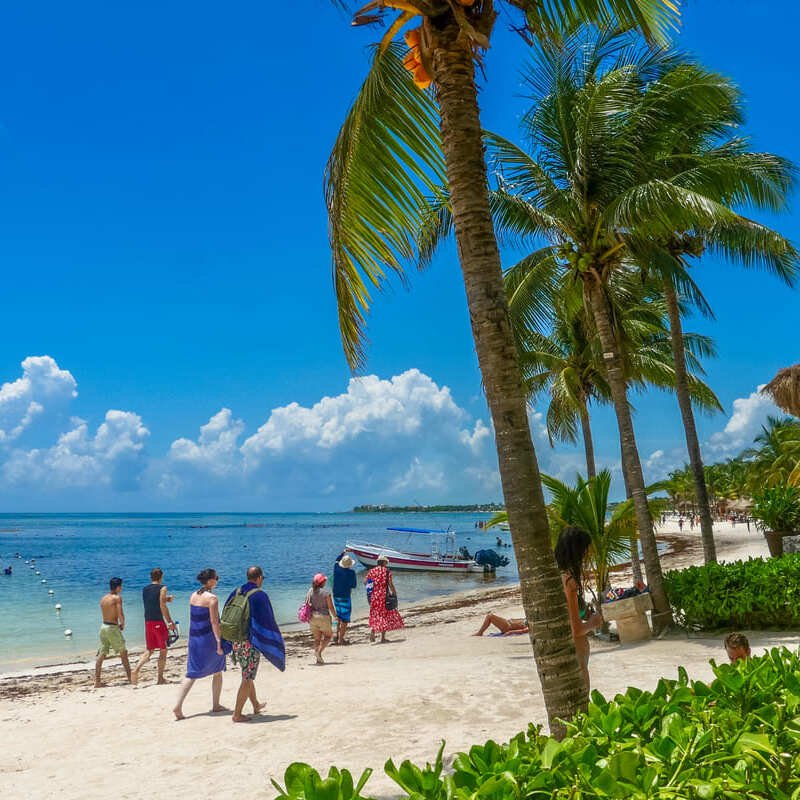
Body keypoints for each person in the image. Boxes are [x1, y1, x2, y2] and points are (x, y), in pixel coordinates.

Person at [227, 565, 286, 723]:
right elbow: (268, 620)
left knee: (247, 673)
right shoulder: (260, 595)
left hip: (236, 640)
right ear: (259, 578)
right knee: (247, 677)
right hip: (249, 642)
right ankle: (237, 714)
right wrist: (275, 641)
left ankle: (256, 705)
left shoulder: (237, 591)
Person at [173, 568, 228, 721]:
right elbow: (214, 622)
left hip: (194, 638)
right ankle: (213, 705)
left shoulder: (193, 595)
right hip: (208, 639)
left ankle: (181, 705)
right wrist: (219, 642)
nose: (217, 579)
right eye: (216, 577)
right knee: (212, 671)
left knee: (196, 672)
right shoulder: (212, 598)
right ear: (210, 580)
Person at [554, 527, 603, 690]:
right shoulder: (569, 583)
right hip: (577, 653)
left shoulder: (558, 577)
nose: (588, 555)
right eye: (586, 550)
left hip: (571, 652)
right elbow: (575, 630)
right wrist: (594, 622)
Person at [131, 568, 177, 686]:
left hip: (148, 621)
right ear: (161, 577)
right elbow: (162, 605)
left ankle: (135, 670)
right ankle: (160, 678)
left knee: (150, 650)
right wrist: (170, 621)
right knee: (163, 650)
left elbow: (152, 601)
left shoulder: (145, 589)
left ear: (151, 577)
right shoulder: (163, 588)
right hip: (158, 621)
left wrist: (167, 599)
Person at [95, 577, 132, 688]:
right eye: (121, 586)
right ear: (118, 587)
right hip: (112, 627)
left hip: (103, 626)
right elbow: (120, 613)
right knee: (123, 653)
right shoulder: (117, 598)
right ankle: (130, 678)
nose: (121, 588)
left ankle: (97, 681)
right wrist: (123, 624)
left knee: (102, 654)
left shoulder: (103, 598)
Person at [365, 555, 404, 643]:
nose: (386, 564)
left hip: (374, 596)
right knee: (384, 615)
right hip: (383, 596)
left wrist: (371, 590)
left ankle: (373, 632)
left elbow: (366, 583)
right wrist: (394, 593)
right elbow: (390, 584)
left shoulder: (371, 571)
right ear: (383, 562)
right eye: (386, 562)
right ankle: (382, 638)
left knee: (376, 615)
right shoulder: (386, 572)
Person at [305, 573, 338, 664]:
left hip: (312, 617)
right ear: (322, 582)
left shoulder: (310, 591)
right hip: (323, 617)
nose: (325, 582)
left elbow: (306, 604)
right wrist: (335, 616)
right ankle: (318, 652)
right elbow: (331, 607)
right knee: (328, 636)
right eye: (324, 580)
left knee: (317, 639)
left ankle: (318, 659)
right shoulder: (326, 593)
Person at [332, 553, 357, 645]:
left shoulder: (336, 568)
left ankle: (336, 635)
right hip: (345, 596)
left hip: (336, 595)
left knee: (338, 616)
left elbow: (336, 560)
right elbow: (353, 585)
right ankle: (341, 639)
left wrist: (343, 552)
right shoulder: (351, 573)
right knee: (345, 619)